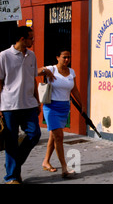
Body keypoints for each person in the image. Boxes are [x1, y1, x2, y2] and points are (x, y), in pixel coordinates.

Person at [0, 26, 41, 184]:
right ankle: (12, 177)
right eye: (31, 38)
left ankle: (13, 167)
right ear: (22, 39)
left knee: (34, 134)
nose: (33, 40)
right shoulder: (4, 56)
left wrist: (37, 101)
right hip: (10, 105)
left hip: (29, 104)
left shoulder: (32, 56)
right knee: (11, 140)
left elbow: (33, 79)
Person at [38, 48, 84, 179]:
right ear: (57, 57)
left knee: (54, 135)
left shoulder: (71, 72)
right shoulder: (51, 69)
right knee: (59, 136)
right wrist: (45, 71)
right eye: (64, 57)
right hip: (51, 107)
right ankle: (64, 167)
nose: (67, 60)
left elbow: (74, 90)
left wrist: (82, 105)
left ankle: (46, 161)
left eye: (68, 57)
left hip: (64, 107)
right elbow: (33, 72)